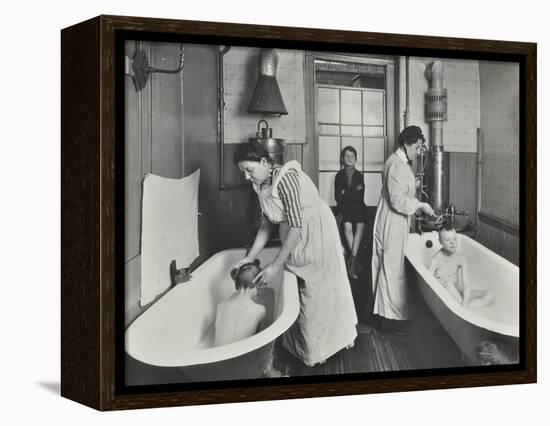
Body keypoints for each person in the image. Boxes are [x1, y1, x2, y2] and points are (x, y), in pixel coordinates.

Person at [232, 141, 358, 367]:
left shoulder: (286, 178)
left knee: (318, 292)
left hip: (314, 232)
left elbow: (297, 225)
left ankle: (323, 348)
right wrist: (251, 256)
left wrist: (275, 265)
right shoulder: (261, 183)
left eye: (248, 170)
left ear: (263, 162)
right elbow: (267, 223)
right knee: (300, 290)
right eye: (243, 172)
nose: (246, 177)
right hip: (293, 233)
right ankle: (304, 347)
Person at [371, 125, 435, 323]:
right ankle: (390, 320)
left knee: (388, 266)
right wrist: (421, 204)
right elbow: (399, 201)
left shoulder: (396, 161)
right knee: (392, 269)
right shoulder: (398, 166)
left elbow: (397, 189)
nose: (417, 152)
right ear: (408, 144)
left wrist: (412, 185)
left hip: (390, 218)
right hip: (393, 220)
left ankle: (387, 316)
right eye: (417, 148)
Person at [429, 222, 494, 308]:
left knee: (490, 294)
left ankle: (464, 307)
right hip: (444, 293)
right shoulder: (436, 260)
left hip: (456, 290)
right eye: (447, 240)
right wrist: (437, 282)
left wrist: (465, 303)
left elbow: (466, 286)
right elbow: (428, 282)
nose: (452, 243)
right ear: (440, 241)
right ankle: (462, 306)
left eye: (454, 239)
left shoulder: (461, 258)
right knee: (448, 284)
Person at [214, 260, 266, 346]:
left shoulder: (221, 305)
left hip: (217, 356)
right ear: (256, 285)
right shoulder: (260, 310)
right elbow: (261, 339)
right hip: (241, 357)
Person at [334, 146, 367, 280]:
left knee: (360, 226)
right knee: (347, 228)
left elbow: (360, 196)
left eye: (352, 156)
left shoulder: (360, 175)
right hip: (344, 206)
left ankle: (351, 259)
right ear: (342, 159)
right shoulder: (339, 175)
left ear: (356, 159)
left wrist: (346, 192)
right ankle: (354, 261)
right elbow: (338, 196)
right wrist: (351, 192)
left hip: (358, 207)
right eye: (346, 156)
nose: (349, 158)